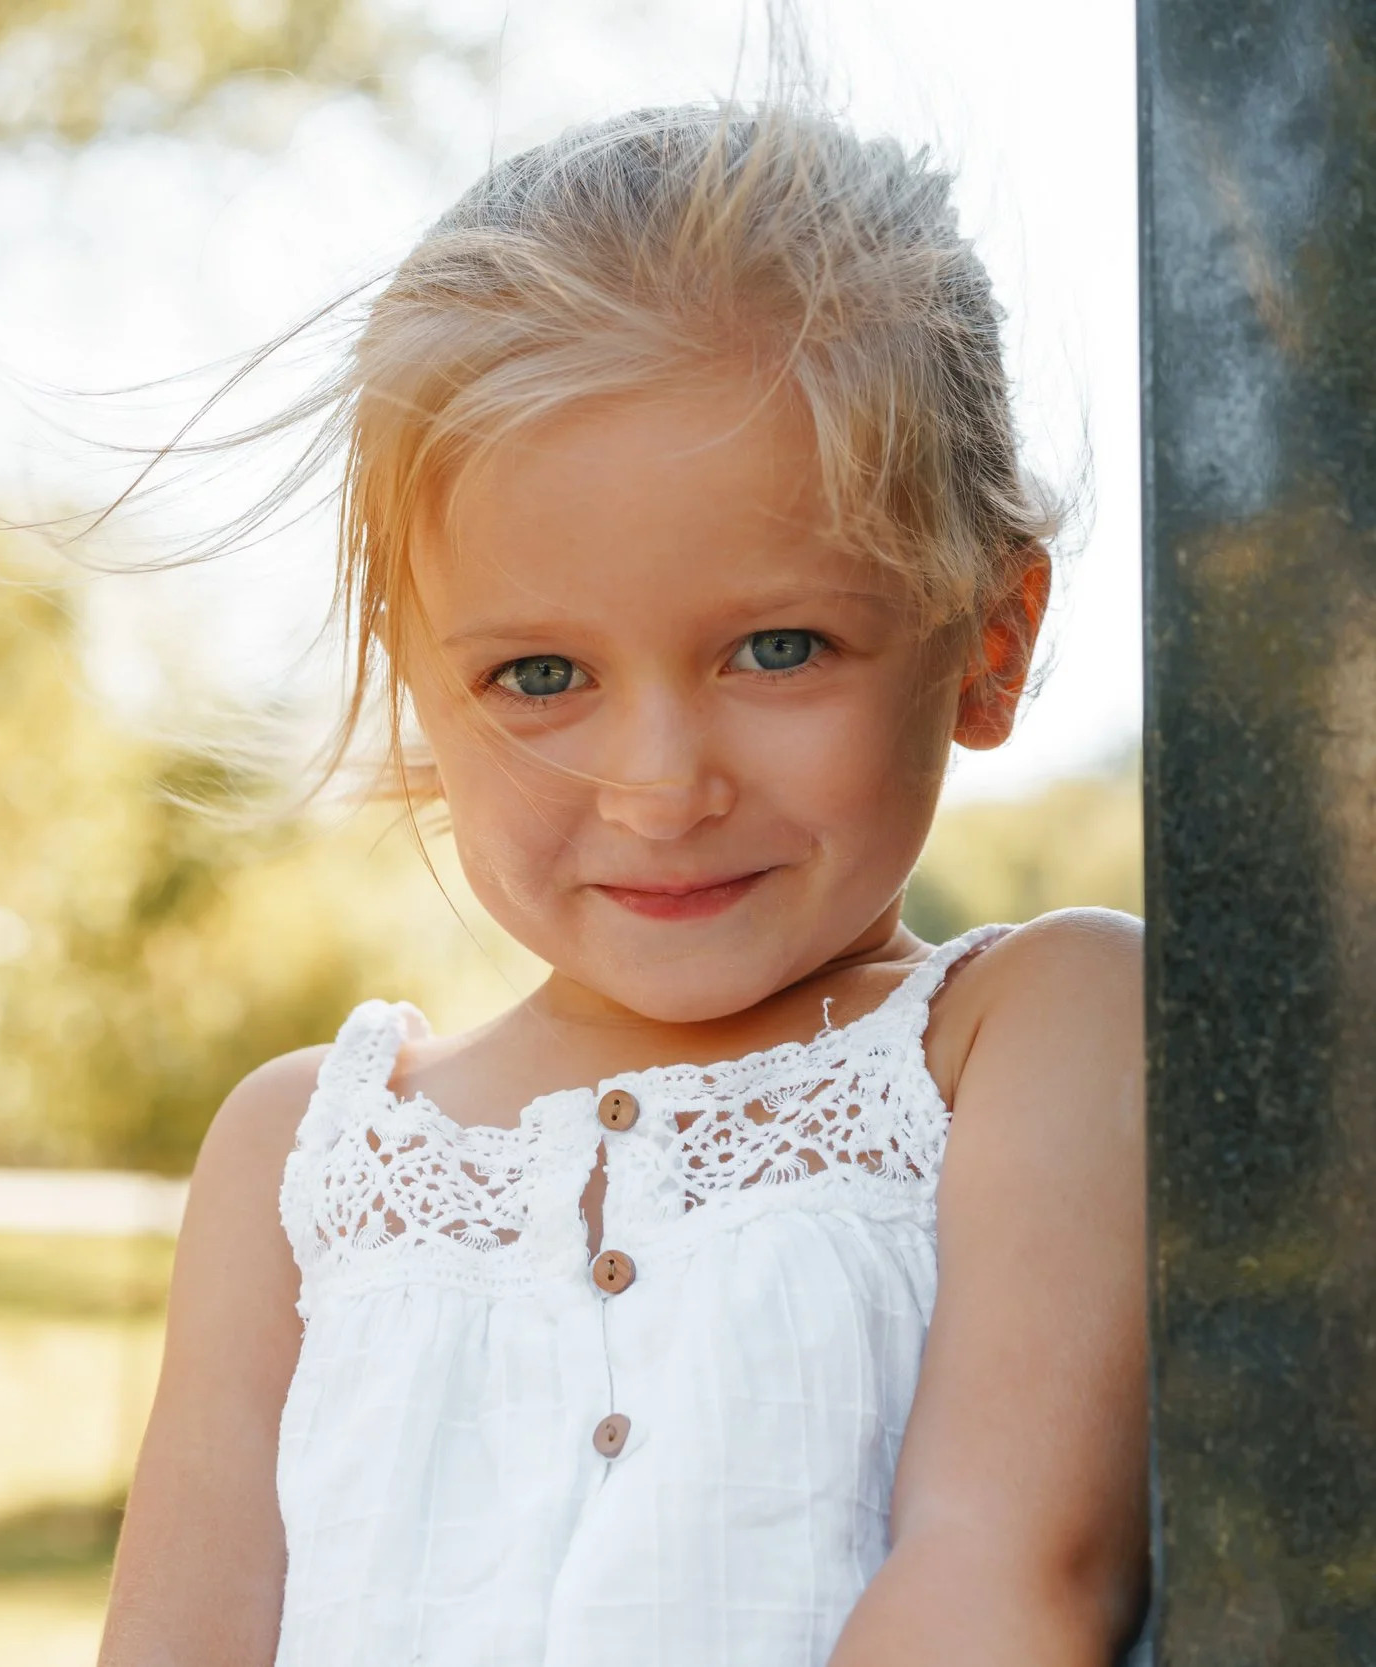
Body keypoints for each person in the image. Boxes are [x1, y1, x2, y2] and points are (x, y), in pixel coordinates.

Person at [97, 101, 1148, 1666]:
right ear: (422, 699)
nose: (659, 783)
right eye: (538, 673)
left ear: (984, 641)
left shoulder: (1033, 1036)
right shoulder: (298, 1161)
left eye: (778, 647)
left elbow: (1007, 1584)